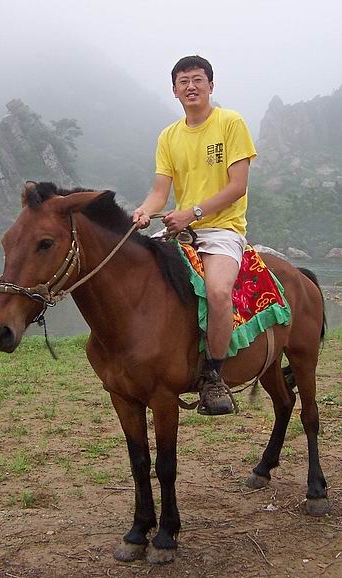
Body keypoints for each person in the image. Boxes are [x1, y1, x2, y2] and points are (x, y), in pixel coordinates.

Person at [133, 55, 257, 415]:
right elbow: (160, 192)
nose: (191, 86)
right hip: (180, 228)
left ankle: (214, 376)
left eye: (197, 79)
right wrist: (143, 211)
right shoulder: (168, 136)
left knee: (217, 292)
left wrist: (193, 212)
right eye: (183, 81)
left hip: (223, 229)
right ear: (174, 91)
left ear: (211, 85)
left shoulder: (230, 123)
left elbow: (237, 186)